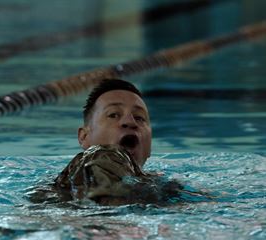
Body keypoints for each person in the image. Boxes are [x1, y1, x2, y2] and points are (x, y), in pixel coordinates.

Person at [28, 78, 184, 205]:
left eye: (139, 117)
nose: (130, 122)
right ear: (84, 137)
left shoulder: (167, 188)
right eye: (114, 114)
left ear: (149, 145)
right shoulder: (55, 191)